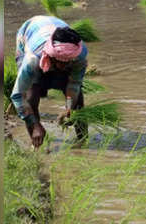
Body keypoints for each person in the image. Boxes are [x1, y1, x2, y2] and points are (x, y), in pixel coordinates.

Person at [10, 15, 88, 148]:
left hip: (54, 30)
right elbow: (18, 95)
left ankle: (82, 141)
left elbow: (73, 85)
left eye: (67, 62)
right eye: (59, 62)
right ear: (51, 55)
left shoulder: (79, 55)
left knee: (78, 101)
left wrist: (69, 108)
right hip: (28, 33)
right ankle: (38, 144)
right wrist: (35, 124)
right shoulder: (32, 59)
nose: (63, 67)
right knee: (31, 97)